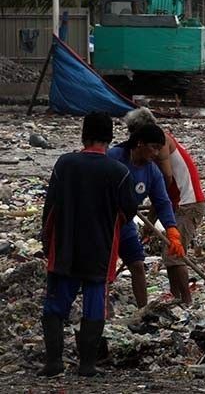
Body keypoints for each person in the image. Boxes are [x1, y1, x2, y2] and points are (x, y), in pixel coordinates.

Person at [40, 112, 138, 377]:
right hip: (101, 250)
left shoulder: (65, 164)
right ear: (110, 138)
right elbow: (128, 212)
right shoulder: (119, 172)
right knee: (95, 306)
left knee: (56, 305)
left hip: (65, 249)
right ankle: (87, 365)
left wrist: (46, 242)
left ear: (83, 135)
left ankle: (53, 362)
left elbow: (50, 209)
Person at [123, 108, 205, 304]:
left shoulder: (160, 143)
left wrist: (152, 217)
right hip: (177, 203)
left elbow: (165, 180)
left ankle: (186, 302)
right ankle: (175, 296)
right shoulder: (157, 142)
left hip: (188, 203)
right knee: (170, 253)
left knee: (174, 254)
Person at [108, 124, 185, 308]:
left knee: (137, 265)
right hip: (104, 224)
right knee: (104, 270)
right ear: (140, 143)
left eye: (160, 148)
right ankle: (102, 311)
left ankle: (144, 310)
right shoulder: (114, 158)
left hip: (126, 224)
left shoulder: (152, 171)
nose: (157, 153)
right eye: (154, 147)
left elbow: (162, 202)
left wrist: (172, 230)